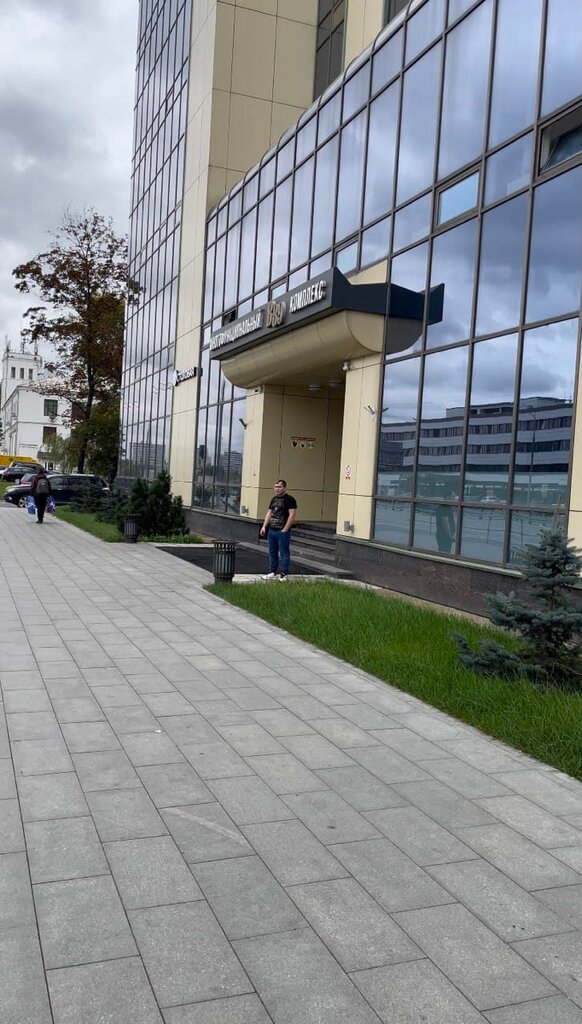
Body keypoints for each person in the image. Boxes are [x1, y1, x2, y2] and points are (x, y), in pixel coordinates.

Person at [260, 479, 297, 580]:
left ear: (285, 488)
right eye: (276, 487)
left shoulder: (290, 499)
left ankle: (284, 574)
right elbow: (269, 513)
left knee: (284, 552)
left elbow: (292, 515)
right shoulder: (274, 499)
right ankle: (272, 571)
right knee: (272, 552)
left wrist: (285, 529)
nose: (277, 489)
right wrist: (264, 526)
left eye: (279, 487)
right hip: (272, 530)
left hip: (282, 531)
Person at [435, 487, 456, 553]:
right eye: (453, 497)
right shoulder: (444, 508)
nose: (454, 499)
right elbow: (445, 523)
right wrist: (450, 536)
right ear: (448, 497)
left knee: (443, 552)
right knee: (445, 553)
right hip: (444, 536)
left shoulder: (446, 507)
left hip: (443, 535)